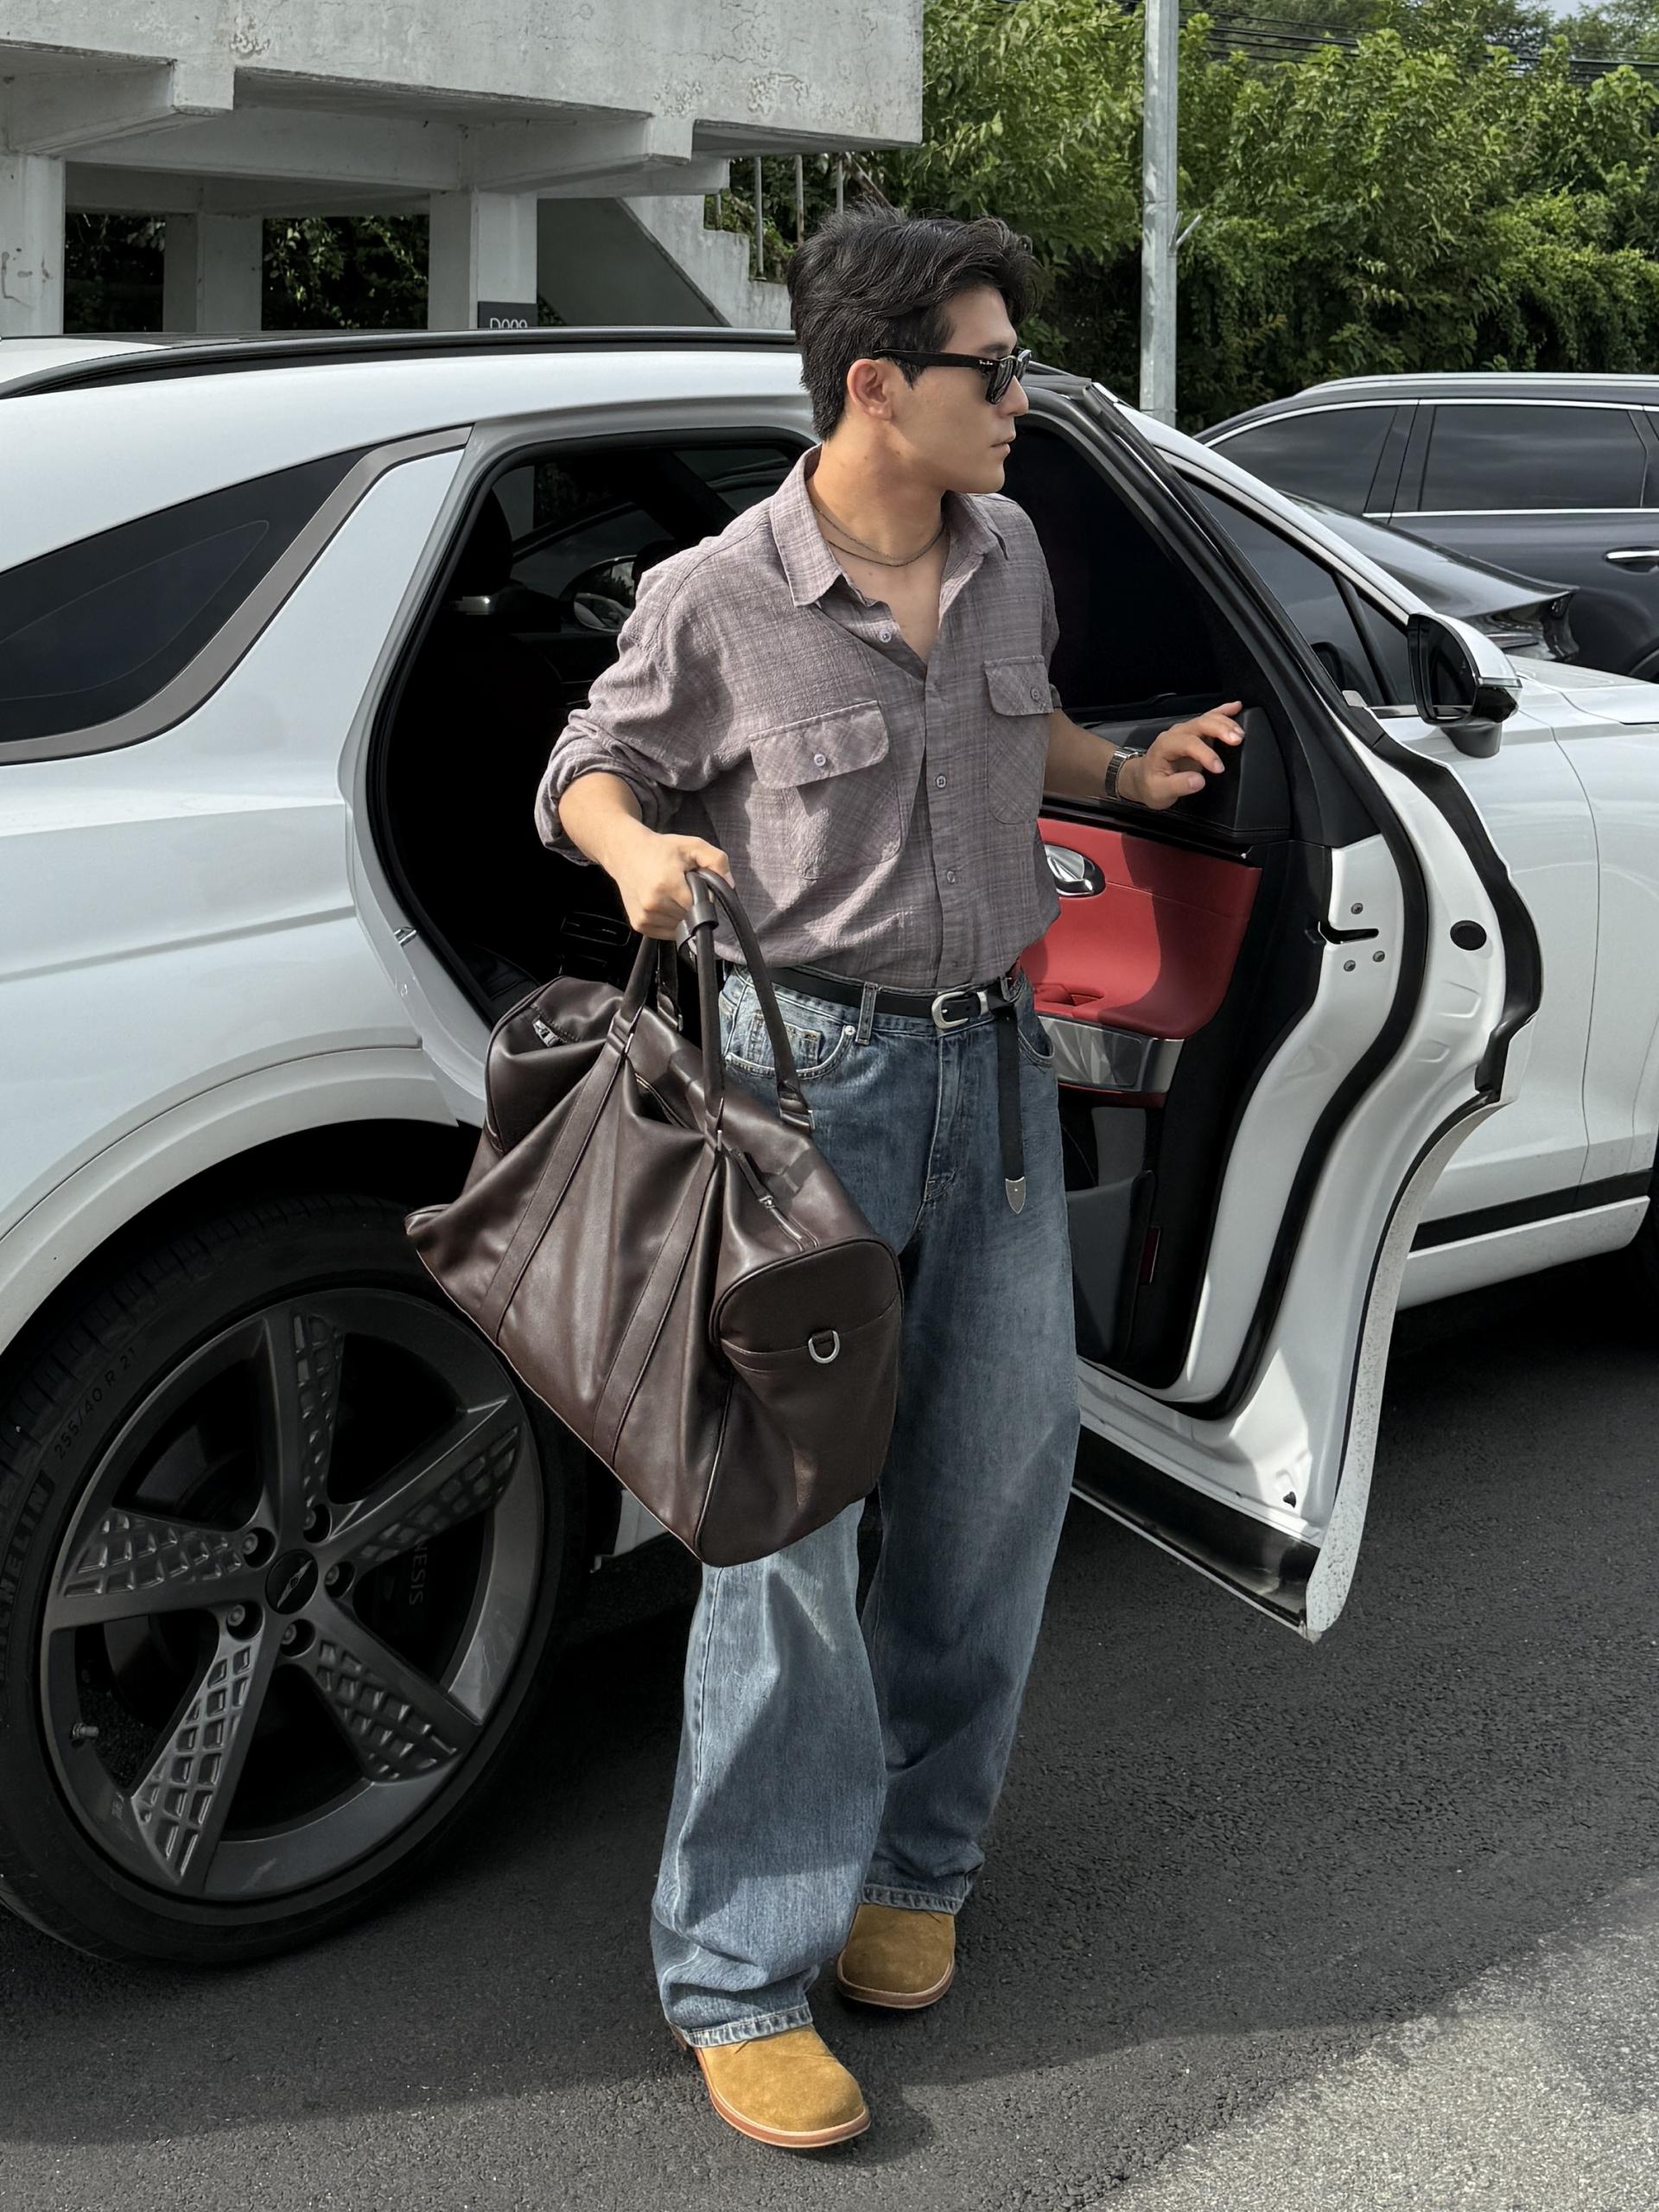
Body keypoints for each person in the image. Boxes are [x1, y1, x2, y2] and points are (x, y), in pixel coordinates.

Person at [536, 205, 1243, 2152]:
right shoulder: (717, 595)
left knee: (993, 1496)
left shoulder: (1009, 554)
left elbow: (1018, 740)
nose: (1023, 401)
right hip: (807, 1098)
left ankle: (917, 1865)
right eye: (994, 371)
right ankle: (739, 1971)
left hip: (998, 1075)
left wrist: (1127, 776)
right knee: (784, 1541)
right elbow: (588, 763)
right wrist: (635, 853)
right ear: (876, 386)